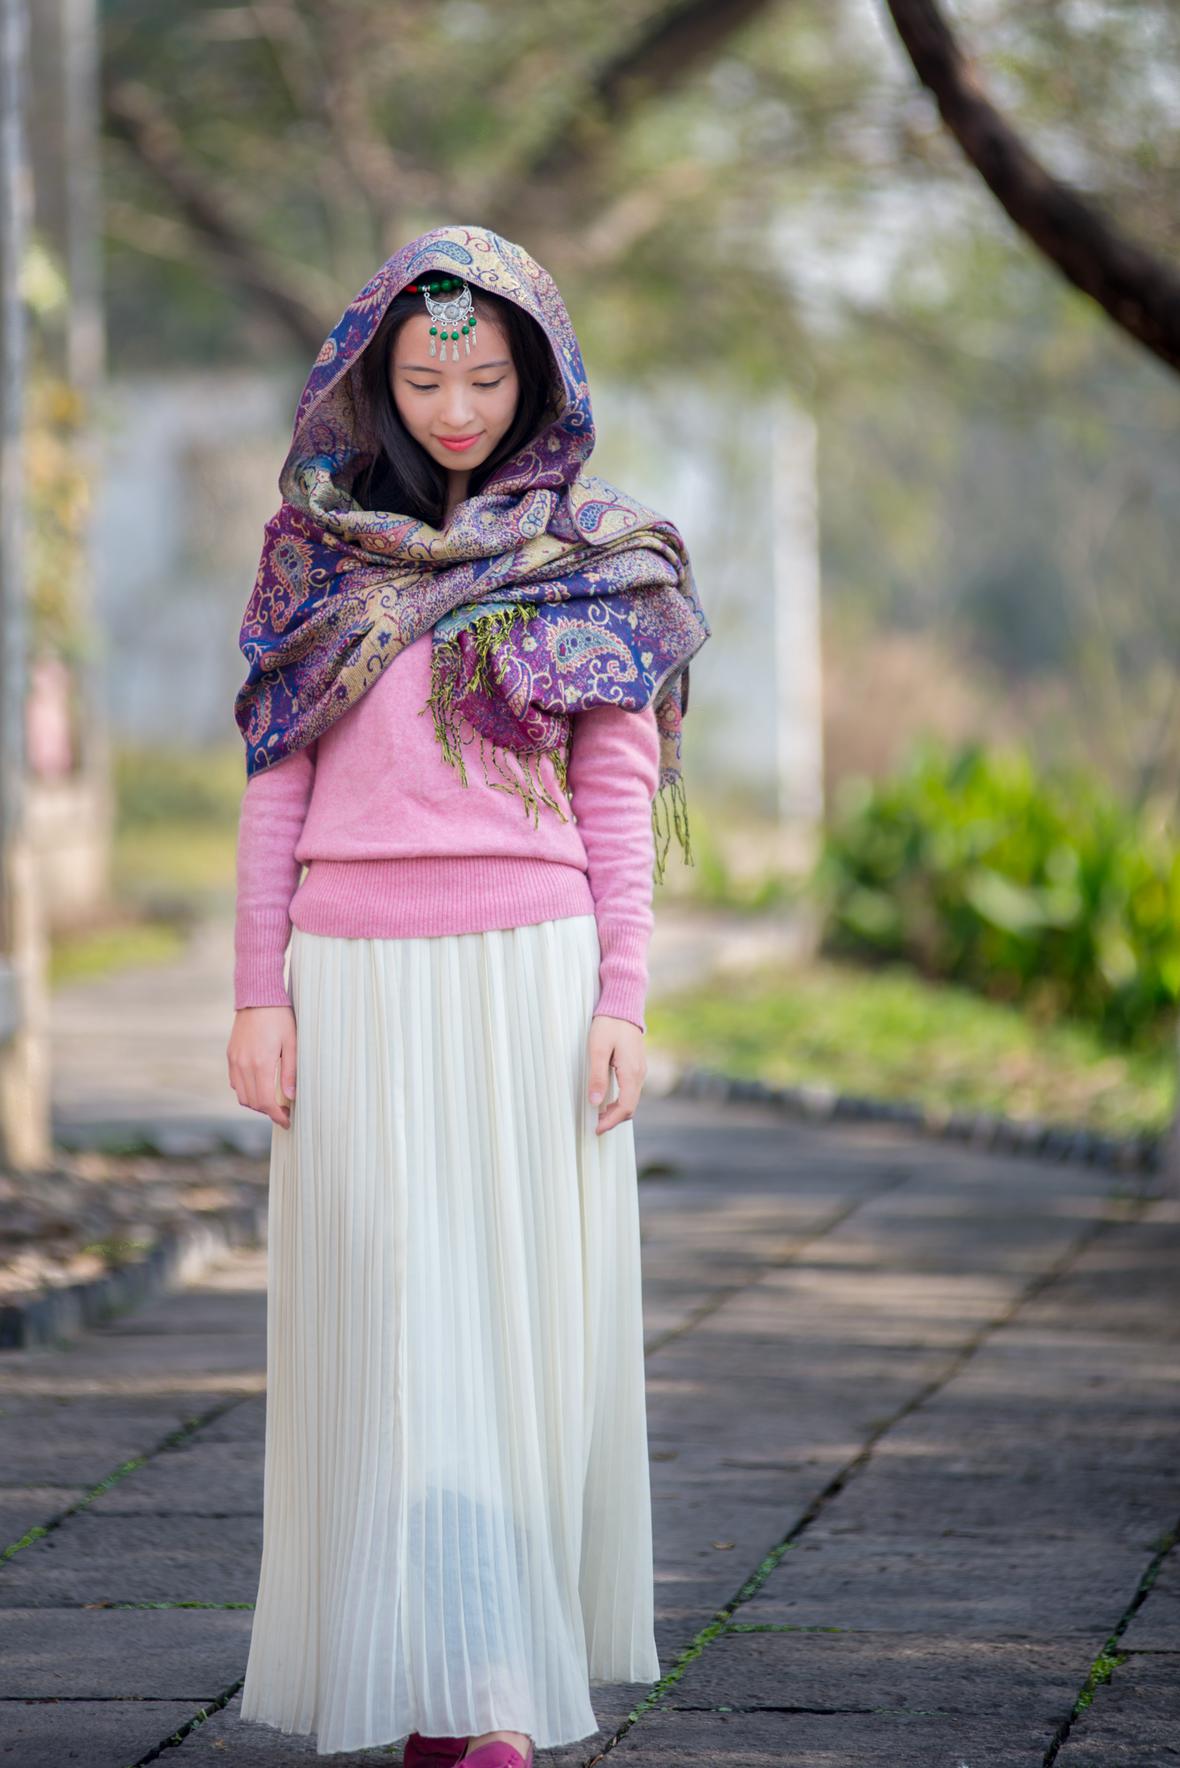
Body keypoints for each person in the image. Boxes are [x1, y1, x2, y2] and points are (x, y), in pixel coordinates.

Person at [226, 223, 709, 1766]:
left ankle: (485, 1693)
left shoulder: (591, 556)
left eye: (487, 377)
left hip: (528, 979)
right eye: (427, 378)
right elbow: (274, 783)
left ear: (539, 378)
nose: (455, 407)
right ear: (375, 377)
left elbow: (617, 791)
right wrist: (256, 992)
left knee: (506, 1333)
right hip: (350, 981)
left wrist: (624, 996)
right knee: (390, 1325)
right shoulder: (316, 555)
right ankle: (426, 1677)